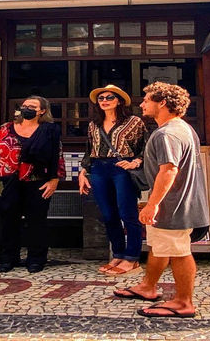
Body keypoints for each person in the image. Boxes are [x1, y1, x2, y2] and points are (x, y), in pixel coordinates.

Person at [114, 82, 209, 319]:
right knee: (160, 247)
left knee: (178, 251)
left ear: (162, 103)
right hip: (175, 203)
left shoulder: (167, 133)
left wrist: (153, 204)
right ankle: (148, 287)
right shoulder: (183, 128)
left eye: (147, 100)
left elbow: (169, 170)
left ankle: (183, 302)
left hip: (174, 207)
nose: (142, 104)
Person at [0, 95, 65, 274]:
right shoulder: (6, 128)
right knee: (8, 221)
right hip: (8, 180)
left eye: (32, 106)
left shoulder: (49, 130)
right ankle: (7, 259)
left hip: (37, 181)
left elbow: (56, 156)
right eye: (25, 105)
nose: (27, 108)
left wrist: (54, 179)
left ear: (42, 110)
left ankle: (36, 259)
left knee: (37, 221)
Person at [79, 85, 148, 276]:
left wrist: (135, 162)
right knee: (108, 215)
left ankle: (132, 257)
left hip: (121, 169)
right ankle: (118, 253)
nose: (104, 100)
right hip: (99, 169)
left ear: (119, 100)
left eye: (109, 97)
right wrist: (83, 172)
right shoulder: (94, 124)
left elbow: (146, 146)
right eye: (100, 98)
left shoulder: (134, 122)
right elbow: (89, 150)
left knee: (128, 214)